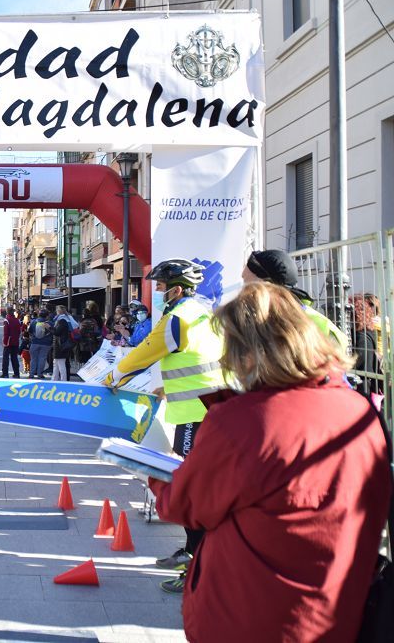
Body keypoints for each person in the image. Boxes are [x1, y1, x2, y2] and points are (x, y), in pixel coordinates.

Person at [148, 282, 391, 641]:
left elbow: (186, 505)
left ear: (247, 352)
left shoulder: (241, 421)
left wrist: (156, 469)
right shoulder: (361, 412)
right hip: (335, 610)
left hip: (249, 613)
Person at [104, 259, 227, 594]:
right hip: (208, 407)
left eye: (159, 287)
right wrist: (166, 388)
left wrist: (113, 376)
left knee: (193, 489)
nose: (156, 293)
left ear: (176, 289)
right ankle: (190, 551)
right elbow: (198, 361)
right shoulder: (204, 313)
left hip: (194, 413)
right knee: (196, 485)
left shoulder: (179, 318)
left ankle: (196, 567)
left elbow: (146, 351)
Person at [241, 249, 348, 349]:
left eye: (246, 285)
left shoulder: (315, 325)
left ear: (266, 286)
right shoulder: (259, 323)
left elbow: (335, 364)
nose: (242, 293)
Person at [50, 305, 74, 382]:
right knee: (56, 363)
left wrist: (49, 327)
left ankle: (63, 380)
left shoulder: (62, 320)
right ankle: (54, 379)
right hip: (59, 344)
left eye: (57, 311)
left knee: (60, 364)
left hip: (60, 345)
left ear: (59, 311)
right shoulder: (64, 319)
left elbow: (57, 332)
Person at [28, 309, 53, 380]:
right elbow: (53, 331)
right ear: (47, 316)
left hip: (35, 343)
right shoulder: (50, 323)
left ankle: (31, 374)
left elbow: (29, 331)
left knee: (33, 359)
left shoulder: (34, 322)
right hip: (46, 344)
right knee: (42, 358)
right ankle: (40, 374)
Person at [0, 307, 22, 379]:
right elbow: (19, 331)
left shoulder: (7, 320)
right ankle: (17, 373)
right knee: (14, 358)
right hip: (15, 341)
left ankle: (5, 374)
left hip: (8, 342)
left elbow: (6, 333)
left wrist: (5, 342)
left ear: (7, 312)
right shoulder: (17, 320)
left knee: (5, 359)